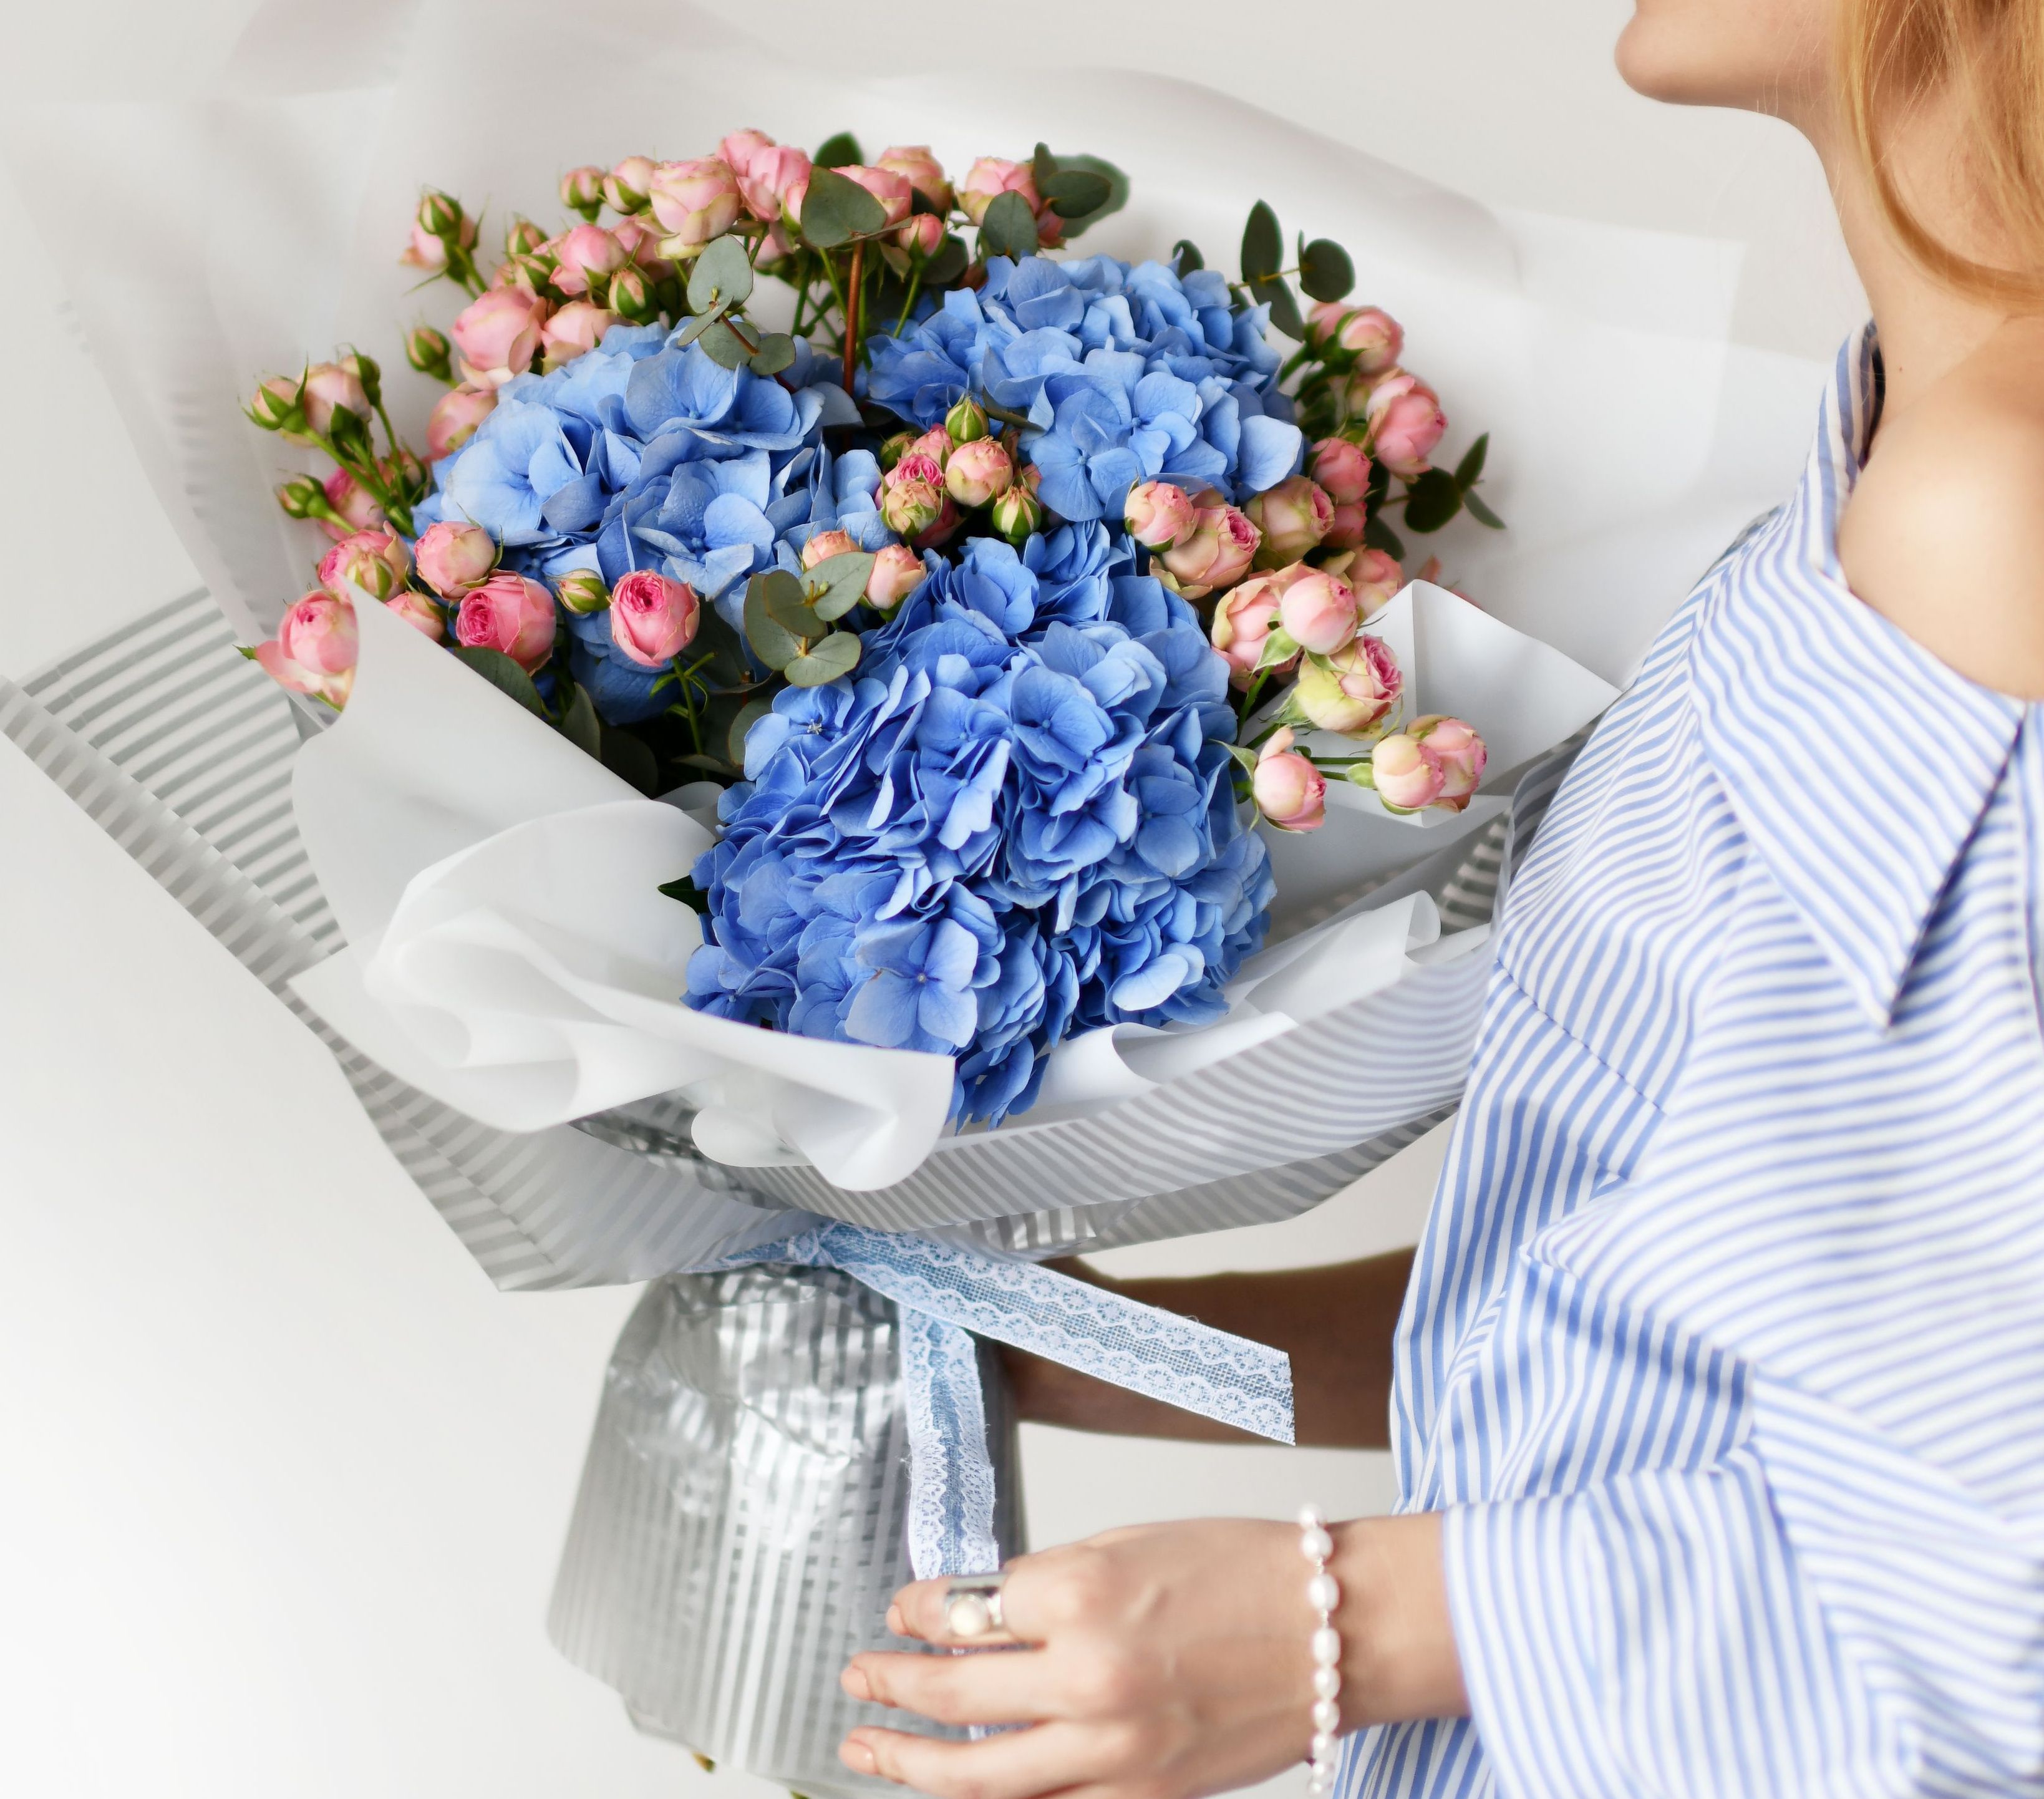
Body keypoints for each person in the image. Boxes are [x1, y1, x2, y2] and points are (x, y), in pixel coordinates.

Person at [831, 0, 2044, 1793]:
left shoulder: (1995, 511)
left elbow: (1994, 1545)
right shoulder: (1891, 462)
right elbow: (1663, 1312)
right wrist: (1053, 1343)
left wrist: (1352, 1620)